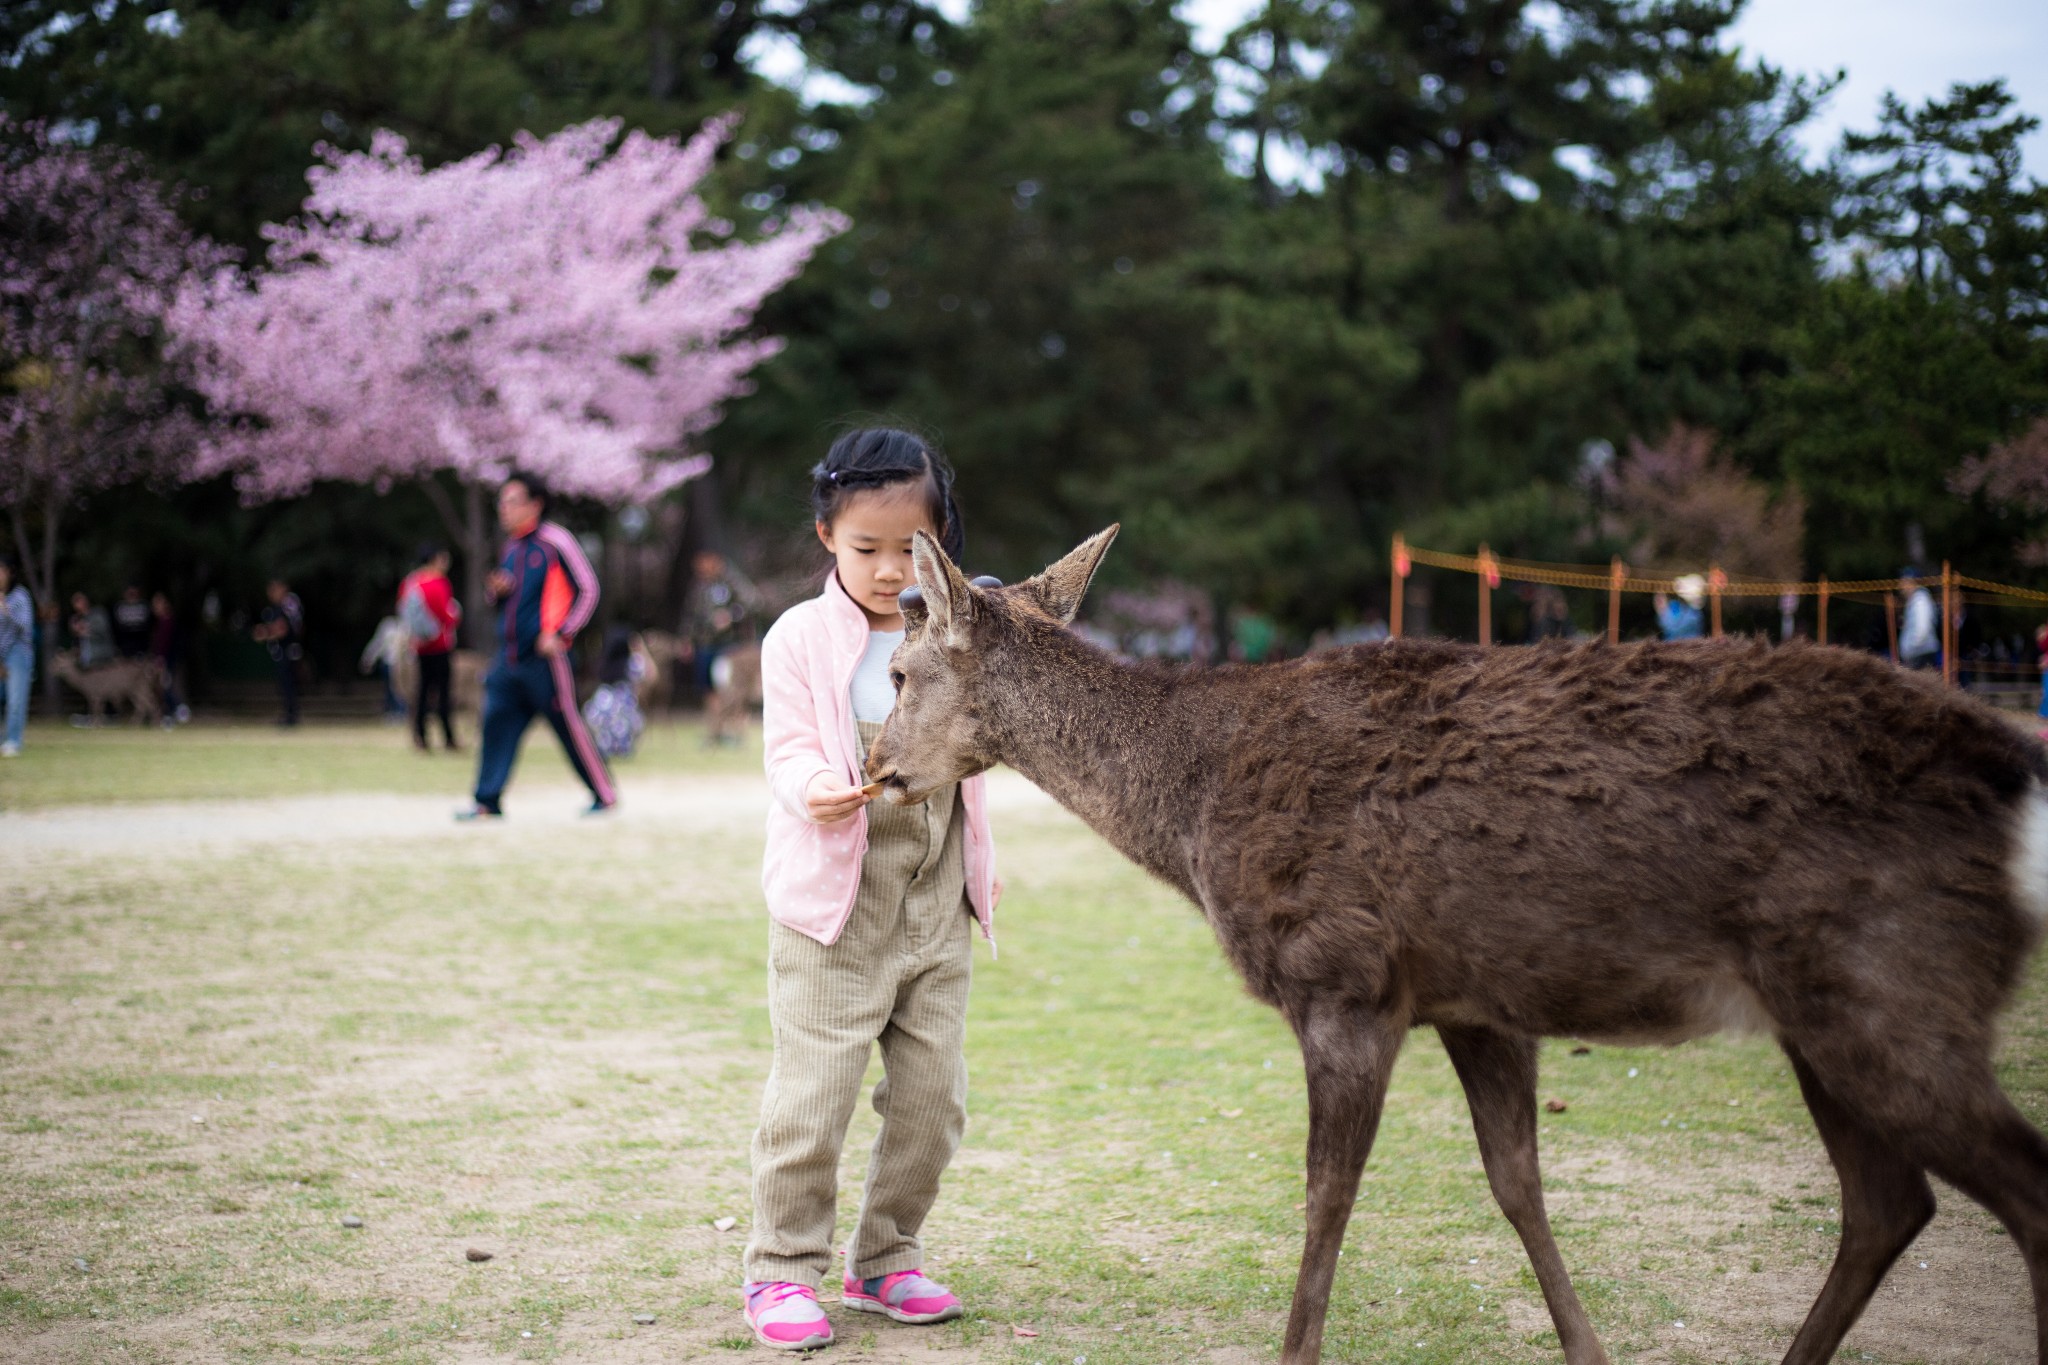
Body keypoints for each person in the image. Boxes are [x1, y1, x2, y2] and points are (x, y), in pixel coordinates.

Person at [740, 428, 996, 1352]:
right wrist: (817, 790)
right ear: (826, 537)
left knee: (934, 1097)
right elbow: (791, 751)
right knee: (814, 1095)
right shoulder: (800, 638)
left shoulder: (958, 632)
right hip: (834, 908)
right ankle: (780, 1266)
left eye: (910, 549)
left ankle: (886, 1257)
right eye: (867, 548)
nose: (891, 571)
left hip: (937, 903)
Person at [459, 472, 614, 818]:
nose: (504, 508)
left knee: (568, 723)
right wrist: (495, 592)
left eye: (511, 501)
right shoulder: (511, 547)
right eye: (501, 501)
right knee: (495, 720)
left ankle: (604, 794)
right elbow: (508, 598)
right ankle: (487, 800)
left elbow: (588, 589)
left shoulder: (555, 541)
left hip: (546, 660)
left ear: (535, 504)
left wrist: (562, 633)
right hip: (510, 657)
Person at [399, 543, 462, 751]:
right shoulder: (439, 582)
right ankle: (448, 738)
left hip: (420, 646)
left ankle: (420, 735)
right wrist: (455, 616)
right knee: (443, 692)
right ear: (435, 559)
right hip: (440, 645)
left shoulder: (411, 582)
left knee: (423, 690)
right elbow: (447, 615)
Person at [582, 626, 646, 759]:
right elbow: (652, 676)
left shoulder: (602, 663)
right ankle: (622, 748)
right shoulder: (633, 663)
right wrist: (641, 649)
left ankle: (602, 747)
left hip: (601, 705)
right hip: (625, 707)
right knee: (635, 720)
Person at [252, 579, 305, 726]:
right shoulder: (280, 606)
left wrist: (265, 632)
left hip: (288, 651)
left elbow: (284, 629)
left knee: (288, 684)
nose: (271, 594)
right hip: (283, 651)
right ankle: (289, 715)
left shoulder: (288, 603)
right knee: (284, 685)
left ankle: (291, 717)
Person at [1, 560, 33, 757]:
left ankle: (13, 740)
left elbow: (26, 625)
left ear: (9, 573)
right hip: (0, 653)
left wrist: (7, 610)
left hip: (18, 653)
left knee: (15, 699)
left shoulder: (20, 596)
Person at [358, 615, 410, 721]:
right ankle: (393, 711)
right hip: (389, 663)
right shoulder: (387, 625)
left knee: (402, 689)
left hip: (403, 664)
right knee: (390, 688)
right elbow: (378, 643)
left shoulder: (408, 624)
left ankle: (402, 711)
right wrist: (368, 658)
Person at [150, 592, 190, 725]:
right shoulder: (162, 622)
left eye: (157, 604)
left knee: (166, 687)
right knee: (164, 687)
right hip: (165, 659)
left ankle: (180, 711)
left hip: (167, 660)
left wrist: (161, 659)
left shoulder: (168, 622)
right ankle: (171, 714)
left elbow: (165, 643)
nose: (155, 607)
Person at [1899, 568, 1940, 669]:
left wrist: (1910, 648)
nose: (1902, 586)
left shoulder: (1920, 601)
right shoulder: (1914, 601)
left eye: (1905, 582)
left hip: (1921, 654)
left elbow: (1922, 629)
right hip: (1919, 653)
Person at [1654, 574, 1706, 641]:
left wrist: (1662, 612)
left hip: (1688, 648)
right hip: (1675, 648)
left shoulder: (1695, 614)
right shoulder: (1677, 606)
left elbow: (1673, 630)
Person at [69, 592, 114, 668]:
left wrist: (85, 628)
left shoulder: (98, 613)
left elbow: (103, 631)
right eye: (75, 602)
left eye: (79, 601)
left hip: (101, 658)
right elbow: (77, 638)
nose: (78, 604)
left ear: (86, 601)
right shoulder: (76, 618)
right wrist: (75, 631)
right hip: (86, 661)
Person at [111, 585, 153, 658]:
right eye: (130, 593)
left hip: (141, 641)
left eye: (133, 593)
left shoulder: (144, 605)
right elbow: (117, 625)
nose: (132, 596)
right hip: (125, 642)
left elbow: (148, 624)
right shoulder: (119, 606)